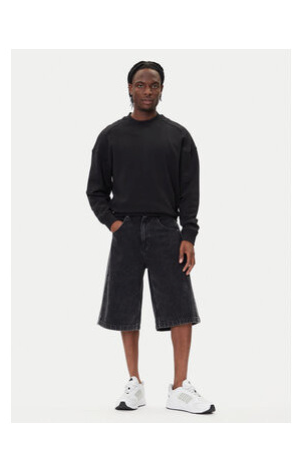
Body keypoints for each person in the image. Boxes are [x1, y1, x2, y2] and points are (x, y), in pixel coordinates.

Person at [86, 60, 215, 414]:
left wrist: (189, 234)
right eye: (141, 84)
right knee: (125, 306)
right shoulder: (111, 136)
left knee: (180, 307)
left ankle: (180, 387)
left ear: (162, 89)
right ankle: (135, 383)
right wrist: (114, 224)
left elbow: (189, 191)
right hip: (125, 230)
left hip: (166, 230)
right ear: (129, 88)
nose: (147, 91)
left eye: (154, 85)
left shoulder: (178, 136)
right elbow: (96, 190)